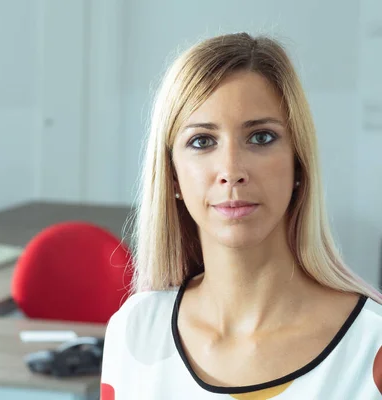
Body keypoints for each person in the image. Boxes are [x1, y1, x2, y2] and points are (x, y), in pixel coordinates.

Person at [100, 32, 382, 399]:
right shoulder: (133, 331)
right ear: (172, 175)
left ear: (299, 162)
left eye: (261, 137)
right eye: (202, 141)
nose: (231, 169)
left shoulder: (370, 346)